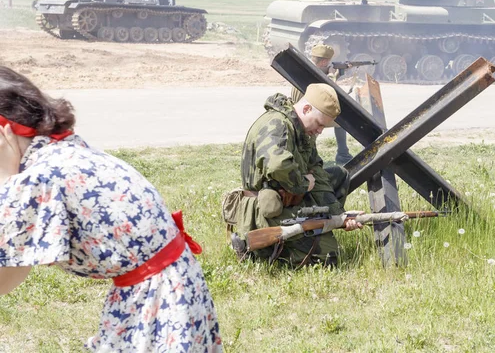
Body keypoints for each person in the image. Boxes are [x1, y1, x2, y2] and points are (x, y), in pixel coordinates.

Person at [0, 66, 222, 352]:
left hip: (157, 298)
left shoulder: (37, 178)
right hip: (171, 282)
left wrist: (6, 183)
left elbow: (8, 273)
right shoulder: (62, 150)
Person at [230, 83, 363, 267]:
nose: (319, 131)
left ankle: (302, 235)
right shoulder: (277, 124)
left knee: (338, 174)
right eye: (319, 124)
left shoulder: (302, 132)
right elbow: (277, 165)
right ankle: (259, 249)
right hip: (264, 211)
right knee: (327, 259)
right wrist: (303, 184)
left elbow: (316, 170)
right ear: (307, 108)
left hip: (291, 202)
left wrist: (338, 216)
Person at [290, 44, 353, 165]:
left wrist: (338, 73)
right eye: (328, 62)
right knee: (340, 122)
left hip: (302, 110)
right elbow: (328, 92)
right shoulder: (315, 74)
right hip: (308, 115)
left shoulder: (306, 68)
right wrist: (332, 75)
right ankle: (343, 154)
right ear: (324, 62)